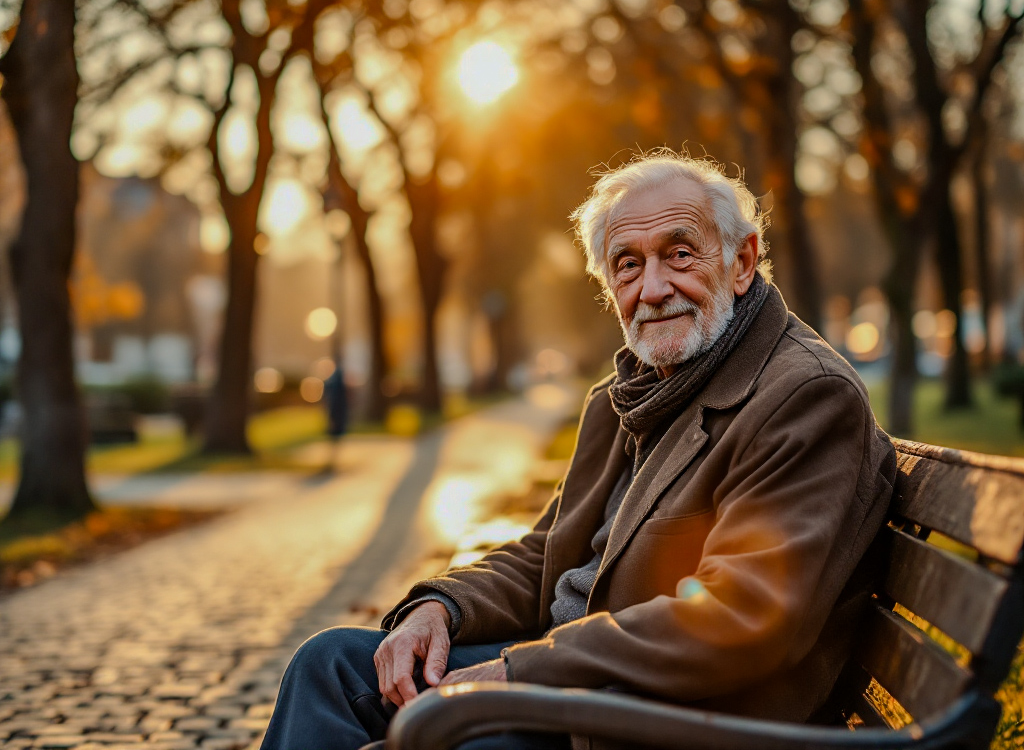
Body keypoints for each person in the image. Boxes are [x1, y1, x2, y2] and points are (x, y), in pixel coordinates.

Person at [260, 151, 896, 750]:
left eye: (679, 254)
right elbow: (548, 554)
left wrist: (521, 673)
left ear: (741, 261)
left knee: (449, 733)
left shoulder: (804, 396)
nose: (652, 288)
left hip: (666, 717)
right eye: (627, 264)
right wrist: (442, 605)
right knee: (328, 667)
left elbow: (743, 615)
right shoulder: (634, 394)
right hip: (576, 679)